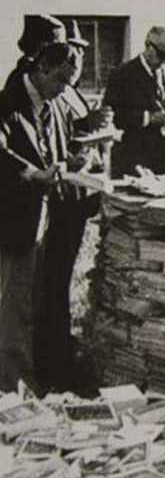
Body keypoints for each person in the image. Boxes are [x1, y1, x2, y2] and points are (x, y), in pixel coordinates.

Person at [0, 43, 82, 393]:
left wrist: (74, 161)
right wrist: (33, 173)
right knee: (14, 304)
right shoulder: (8, 102)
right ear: (42, 66)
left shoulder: (55, 104)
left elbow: (58, 150)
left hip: (46, 215)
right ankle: (11, 385)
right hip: (13, 218)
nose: (64, 89)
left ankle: (28, 374)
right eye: (61, 80)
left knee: (34, 301)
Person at [34, 24, 110, 394]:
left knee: (61, 281)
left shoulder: (65, 85)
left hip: (73, 196)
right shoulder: (34, 87)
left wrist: (92, 131)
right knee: (51, 283)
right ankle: (52, 361)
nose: (76, 57)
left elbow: (71, 129)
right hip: (57, 198)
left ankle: (61, 351)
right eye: (68, 49)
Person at [103, 26, 165, 177]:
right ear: (148, 47)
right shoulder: (122, 75)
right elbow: (111, 117)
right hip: (135, 164)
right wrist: (148, 118)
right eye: (163, 55)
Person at [5, 14, 66, 89]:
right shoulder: (27, 76)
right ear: (43, 44)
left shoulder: (26, 72)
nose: (60, 52)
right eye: (57, 46)